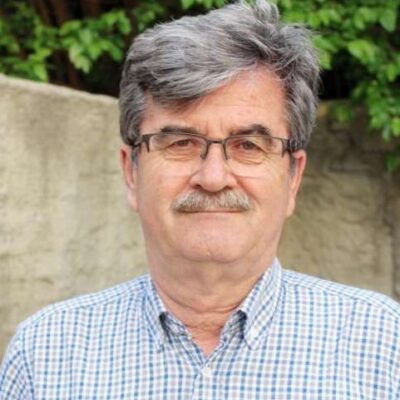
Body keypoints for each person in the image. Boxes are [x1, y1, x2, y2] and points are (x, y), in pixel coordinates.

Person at [1, 0, 399, 398]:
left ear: (293, 177)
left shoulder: (384, 349)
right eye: (181, 143)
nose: (213, 178)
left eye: (248, 145)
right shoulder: (47, 356)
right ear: (131, 172)